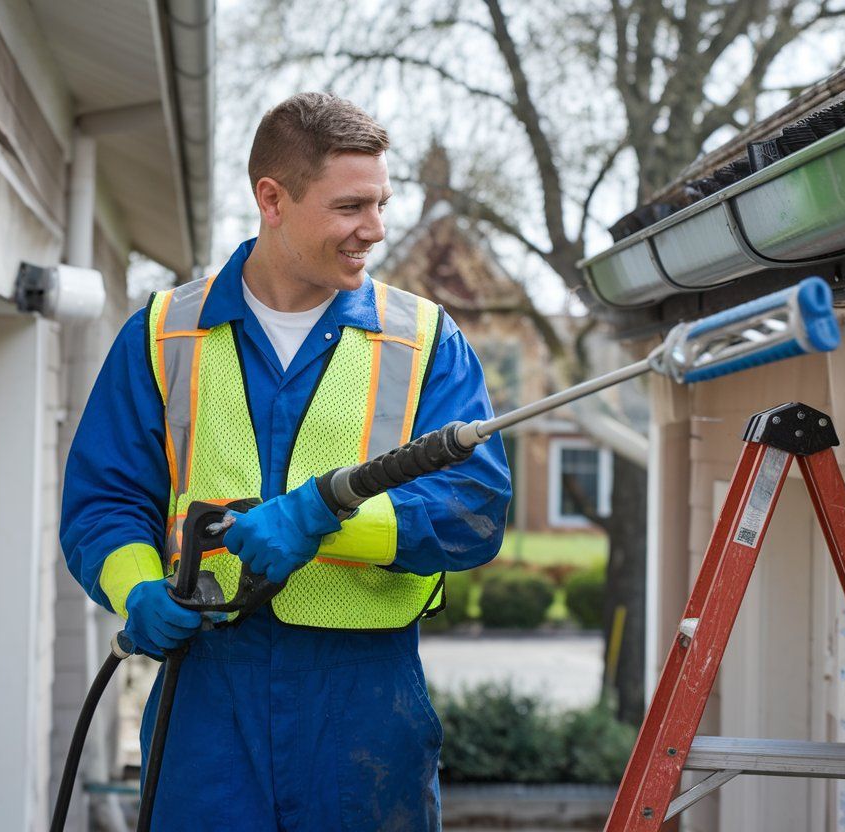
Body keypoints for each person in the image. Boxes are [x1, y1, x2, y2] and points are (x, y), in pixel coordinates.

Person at [60, 92, 511, 831]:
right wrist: (139, 591)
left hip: (366, 706)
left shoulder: (422, 340)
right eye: (350, 207)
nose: (374, 229)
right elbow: (102, 503)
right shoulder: (163, 335)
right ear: (272, 198)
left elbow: (476, 508)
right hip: (206, 696)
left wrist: (324, 522)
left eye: (381, 204)